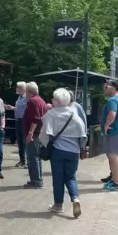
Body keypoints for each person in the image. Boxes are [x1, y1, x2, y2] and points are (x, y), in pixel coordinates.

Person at [39, 88, 87, 217]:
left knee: (58, 178)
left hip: (58, 151)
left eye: (54, 98)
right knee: (71, 177)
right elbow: (83, 136)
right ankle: (75, 198)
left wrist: (44, 145)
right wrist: (82, 149)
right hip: (74, 152)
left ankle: (58, 205)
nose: (52, 100)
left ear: (57, 101)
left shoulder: (51, 114)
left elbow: (45, 134)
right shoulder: (74, 115)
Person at [101, 80, 118, 192]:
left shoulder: (112, 100)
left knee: (113, 156)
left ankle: (116, 182)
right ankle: (114, 179)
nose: (104, 88)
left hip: (114, 133)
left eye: (106, 86)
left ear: (113, 88)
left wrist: (106, 125)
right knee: (113, 156)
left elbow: (112, 114)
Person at [22, 82, 48, 188]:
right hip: (40, 132)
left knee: (33, 157)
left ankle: (36, 181)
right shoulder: (41, 100)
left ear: (29, 91)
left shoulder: (33, 101)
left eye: (26, 92)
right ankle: (37, 179)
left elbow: (36, 118)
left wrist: (30, 133)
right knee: (36, 157)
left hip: (35, 133)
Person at [5, 82, 27, 167]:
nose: (16, 89)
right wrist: (13, 108)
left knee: (24, 141)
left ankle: (25, 161)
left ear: (22, 89)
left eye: (17, 87)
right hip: (17, 120)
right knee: (20, 141)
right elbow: (20, 108)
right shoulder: (19, 97)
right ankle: (22, 160)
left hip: (23, 120)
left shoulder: (26, 98)